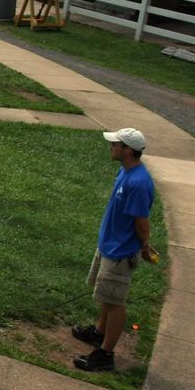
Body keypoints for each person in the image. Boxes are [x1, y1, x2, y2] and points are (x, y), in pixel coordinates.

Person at [72, 128, 156, 372]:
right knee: (107, 296)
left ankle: (105, 354)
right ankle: (99, 332)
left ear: (128, 149)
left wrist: (144, 246)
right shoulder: (126, 171)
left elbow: (142, 220)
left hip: (120, 252)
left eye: (115, 144)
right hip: (109, 244)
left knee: (115, 301)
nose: (111, 147)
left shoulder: (138, 183)